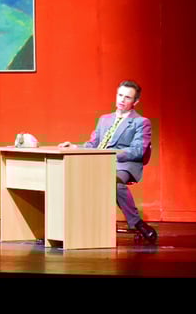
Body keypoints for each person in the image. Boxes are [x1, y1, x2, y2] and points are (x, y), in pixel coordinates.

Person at [58, 80, 157, 243]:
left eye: (127, 97)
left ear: (135, 101)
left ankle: (137, 223)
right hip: (98, 162)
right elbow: (93, 145)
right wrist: (75, 146)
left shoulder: (141, 122)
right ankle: (66, 226)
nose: (122, 100)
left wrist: (109, 155)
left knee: (113, 181)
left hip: (123, 165)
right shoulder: (104, 119)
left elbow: (137, 151)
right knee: (67, 177)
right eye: (120, 95)